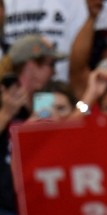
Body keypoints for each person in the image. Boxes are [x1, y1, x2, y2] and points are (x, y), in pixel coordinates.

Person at [0, 34, 65, 214]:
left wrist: (88, 102)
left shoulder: (47, 98)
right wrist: (5, 114)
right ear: (30, 66)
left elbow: (80, 110)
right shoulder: (3, 97)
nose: (54, 72)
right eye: (50, 65)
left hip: (40, 200)